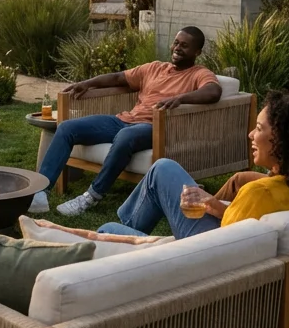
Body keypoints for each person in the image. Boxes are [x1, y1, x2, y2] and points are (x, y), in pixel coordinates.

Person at [30, 27, 222, 217]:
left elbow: (214, 91)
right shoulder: (155, 68)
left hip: (155, 127)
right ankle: (41, 193)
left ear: (197, 52)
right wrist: (88, 83)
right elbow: (117, 77)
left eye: (185, 46)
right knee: (67, 128)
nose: (178, 48)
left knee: (125, 135)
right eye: (176, 43)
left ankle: (91, 196)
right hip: (124, 120)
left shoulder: (199, 73)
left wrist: (181, 99)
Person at [97, 91, 289, 239]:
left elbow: (223, 247)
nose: (250, 135)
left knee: (107, 231)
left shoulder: (260, 193)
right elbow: (238, 224)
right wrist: (214, 205)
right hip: (225, 253)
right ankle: (127, 231)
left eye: (258, 129)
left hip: (200, 260)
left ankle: (123, 239)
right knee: (163, 168)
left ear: (283, 141)